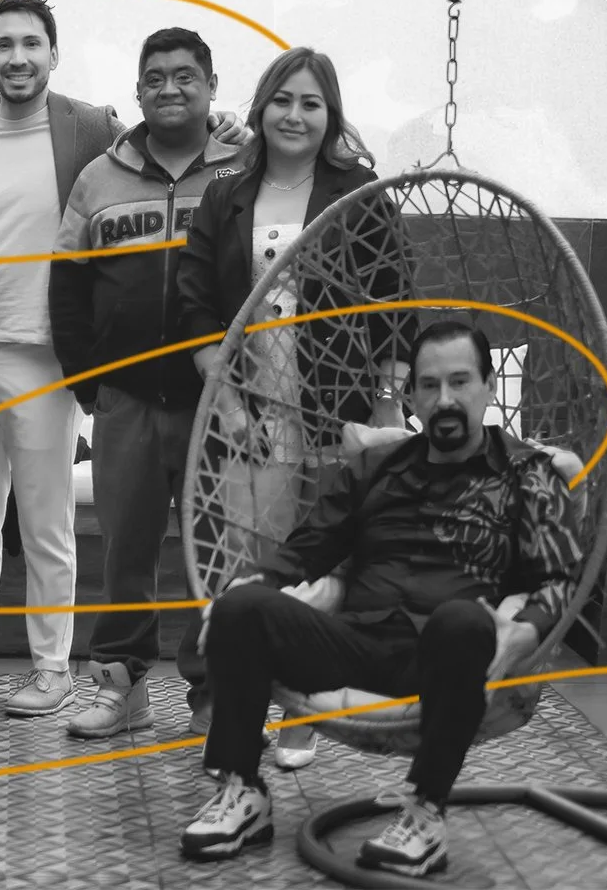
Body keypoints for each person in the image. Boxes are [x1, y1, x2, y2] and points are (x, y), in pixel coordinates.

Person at [0, 0, 246, 718]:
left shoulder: (90, 127)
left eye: (31, 43)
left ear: (54, 53)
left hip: (49, 361)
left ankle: (52, 670)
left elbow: (171, 143)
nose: (18, 57)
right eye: (4, 44)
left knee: (47, 524)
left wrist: (229, 126)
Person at [179, 321, 584, 878]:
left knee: (463, 622)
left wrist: (528, 630)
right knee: (240, 606)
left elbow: (559, 577)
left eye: (460, 382)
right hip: (355, 642)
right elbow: (307, 548)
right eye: (430, 385)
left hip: (448, 657)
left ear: (489, 387)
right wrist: (252, 583)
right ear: (411, 396)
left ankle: (424, 814)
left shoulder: (528, 474)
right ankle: (243, 790)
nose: (445, 399)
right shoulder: (376, 466)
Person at [176, 45, 414, 762]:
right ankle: (240, 703)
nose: (294, 115)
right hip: (252, 416)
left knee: (322, 566)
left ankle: (302, 713)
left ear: (330, 116)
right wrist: (228, 404)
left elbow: (396, 306)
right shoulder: (225, 193)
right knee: (250, 563)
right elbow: (195, 304)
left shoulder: (360, 192)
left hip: (338, 417)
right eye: (282, 100)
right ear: (260, 108)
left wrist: (385, 407)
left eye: (311, 104)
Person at [49, 28, 244, 739]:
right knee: (125, 554)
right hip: (125, 403)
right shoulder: (98, 177)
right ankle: (120, 687)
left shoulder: (245, 171)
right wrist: (88, 383)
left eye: (186, 76)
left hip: (219, 405)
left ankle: (215, 695)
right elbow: (67, 288)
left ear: (212, 86)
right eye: (155, 77)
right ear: (136, 92)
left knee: (213, 556)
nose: (170, 88)